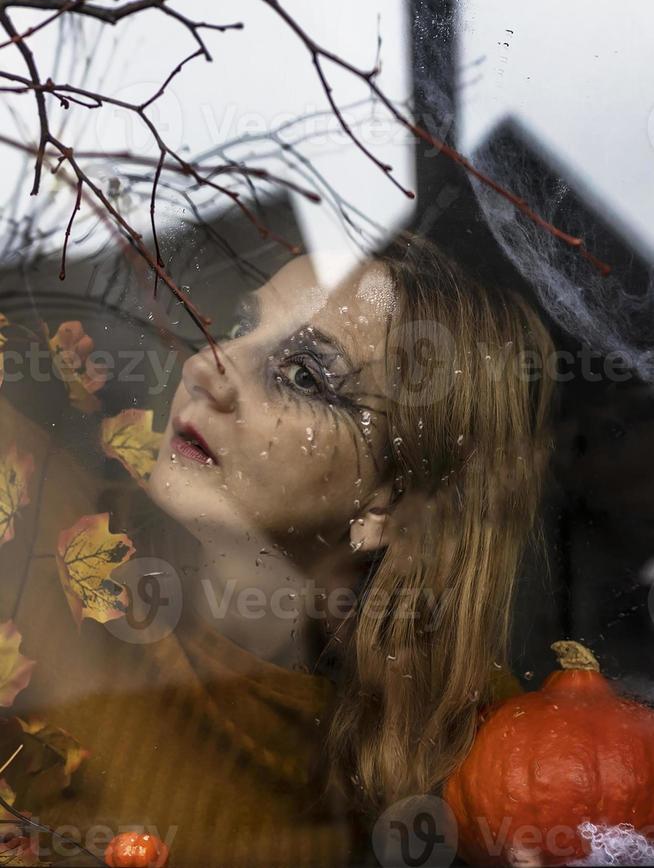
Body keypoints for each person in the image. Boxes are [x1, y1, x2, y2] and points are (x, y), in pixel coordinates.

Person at [0, 228, 557, 866]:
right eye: (240, 324)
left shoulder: (475, 745)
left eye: (300, 375)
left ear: (388, 505)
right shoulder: (25, 518)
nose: (208, 366)